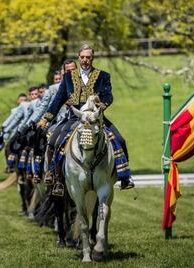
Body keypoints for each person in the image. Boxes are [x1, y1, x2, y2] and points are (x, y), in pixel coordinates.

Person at [37, 44, 135, 190]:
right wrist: (46, 118)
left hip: (96, 118)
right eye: (82, 57)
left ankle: (125, 177)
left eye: (88, 57)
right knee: (53, 140)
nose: (85, 60)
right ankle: (55, 176)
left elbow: (109, 95)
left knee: (120, 140)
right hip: (73, 118)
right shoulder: (68, 77)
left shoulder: (103, 76)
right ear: (78, 57)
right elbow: (58, 99)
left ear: (92, 58)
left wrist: (101, 105)